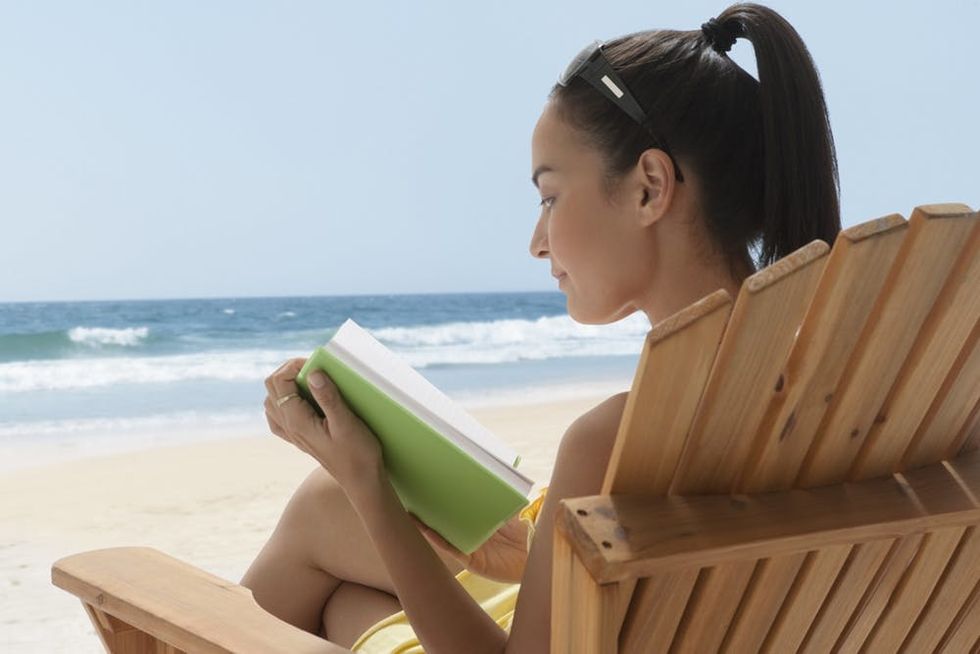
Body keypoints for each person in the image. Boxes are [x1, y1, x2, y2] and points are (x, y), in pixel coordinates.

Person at [240, 2, 842, 651]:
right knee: (343, 587)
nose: (536, 241)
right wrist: (531, 553)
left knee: (320, 512)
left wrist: (367, 482)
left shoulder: (615, 441)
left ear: (649, 187)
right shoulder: (849, 391)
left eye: (550, 196)